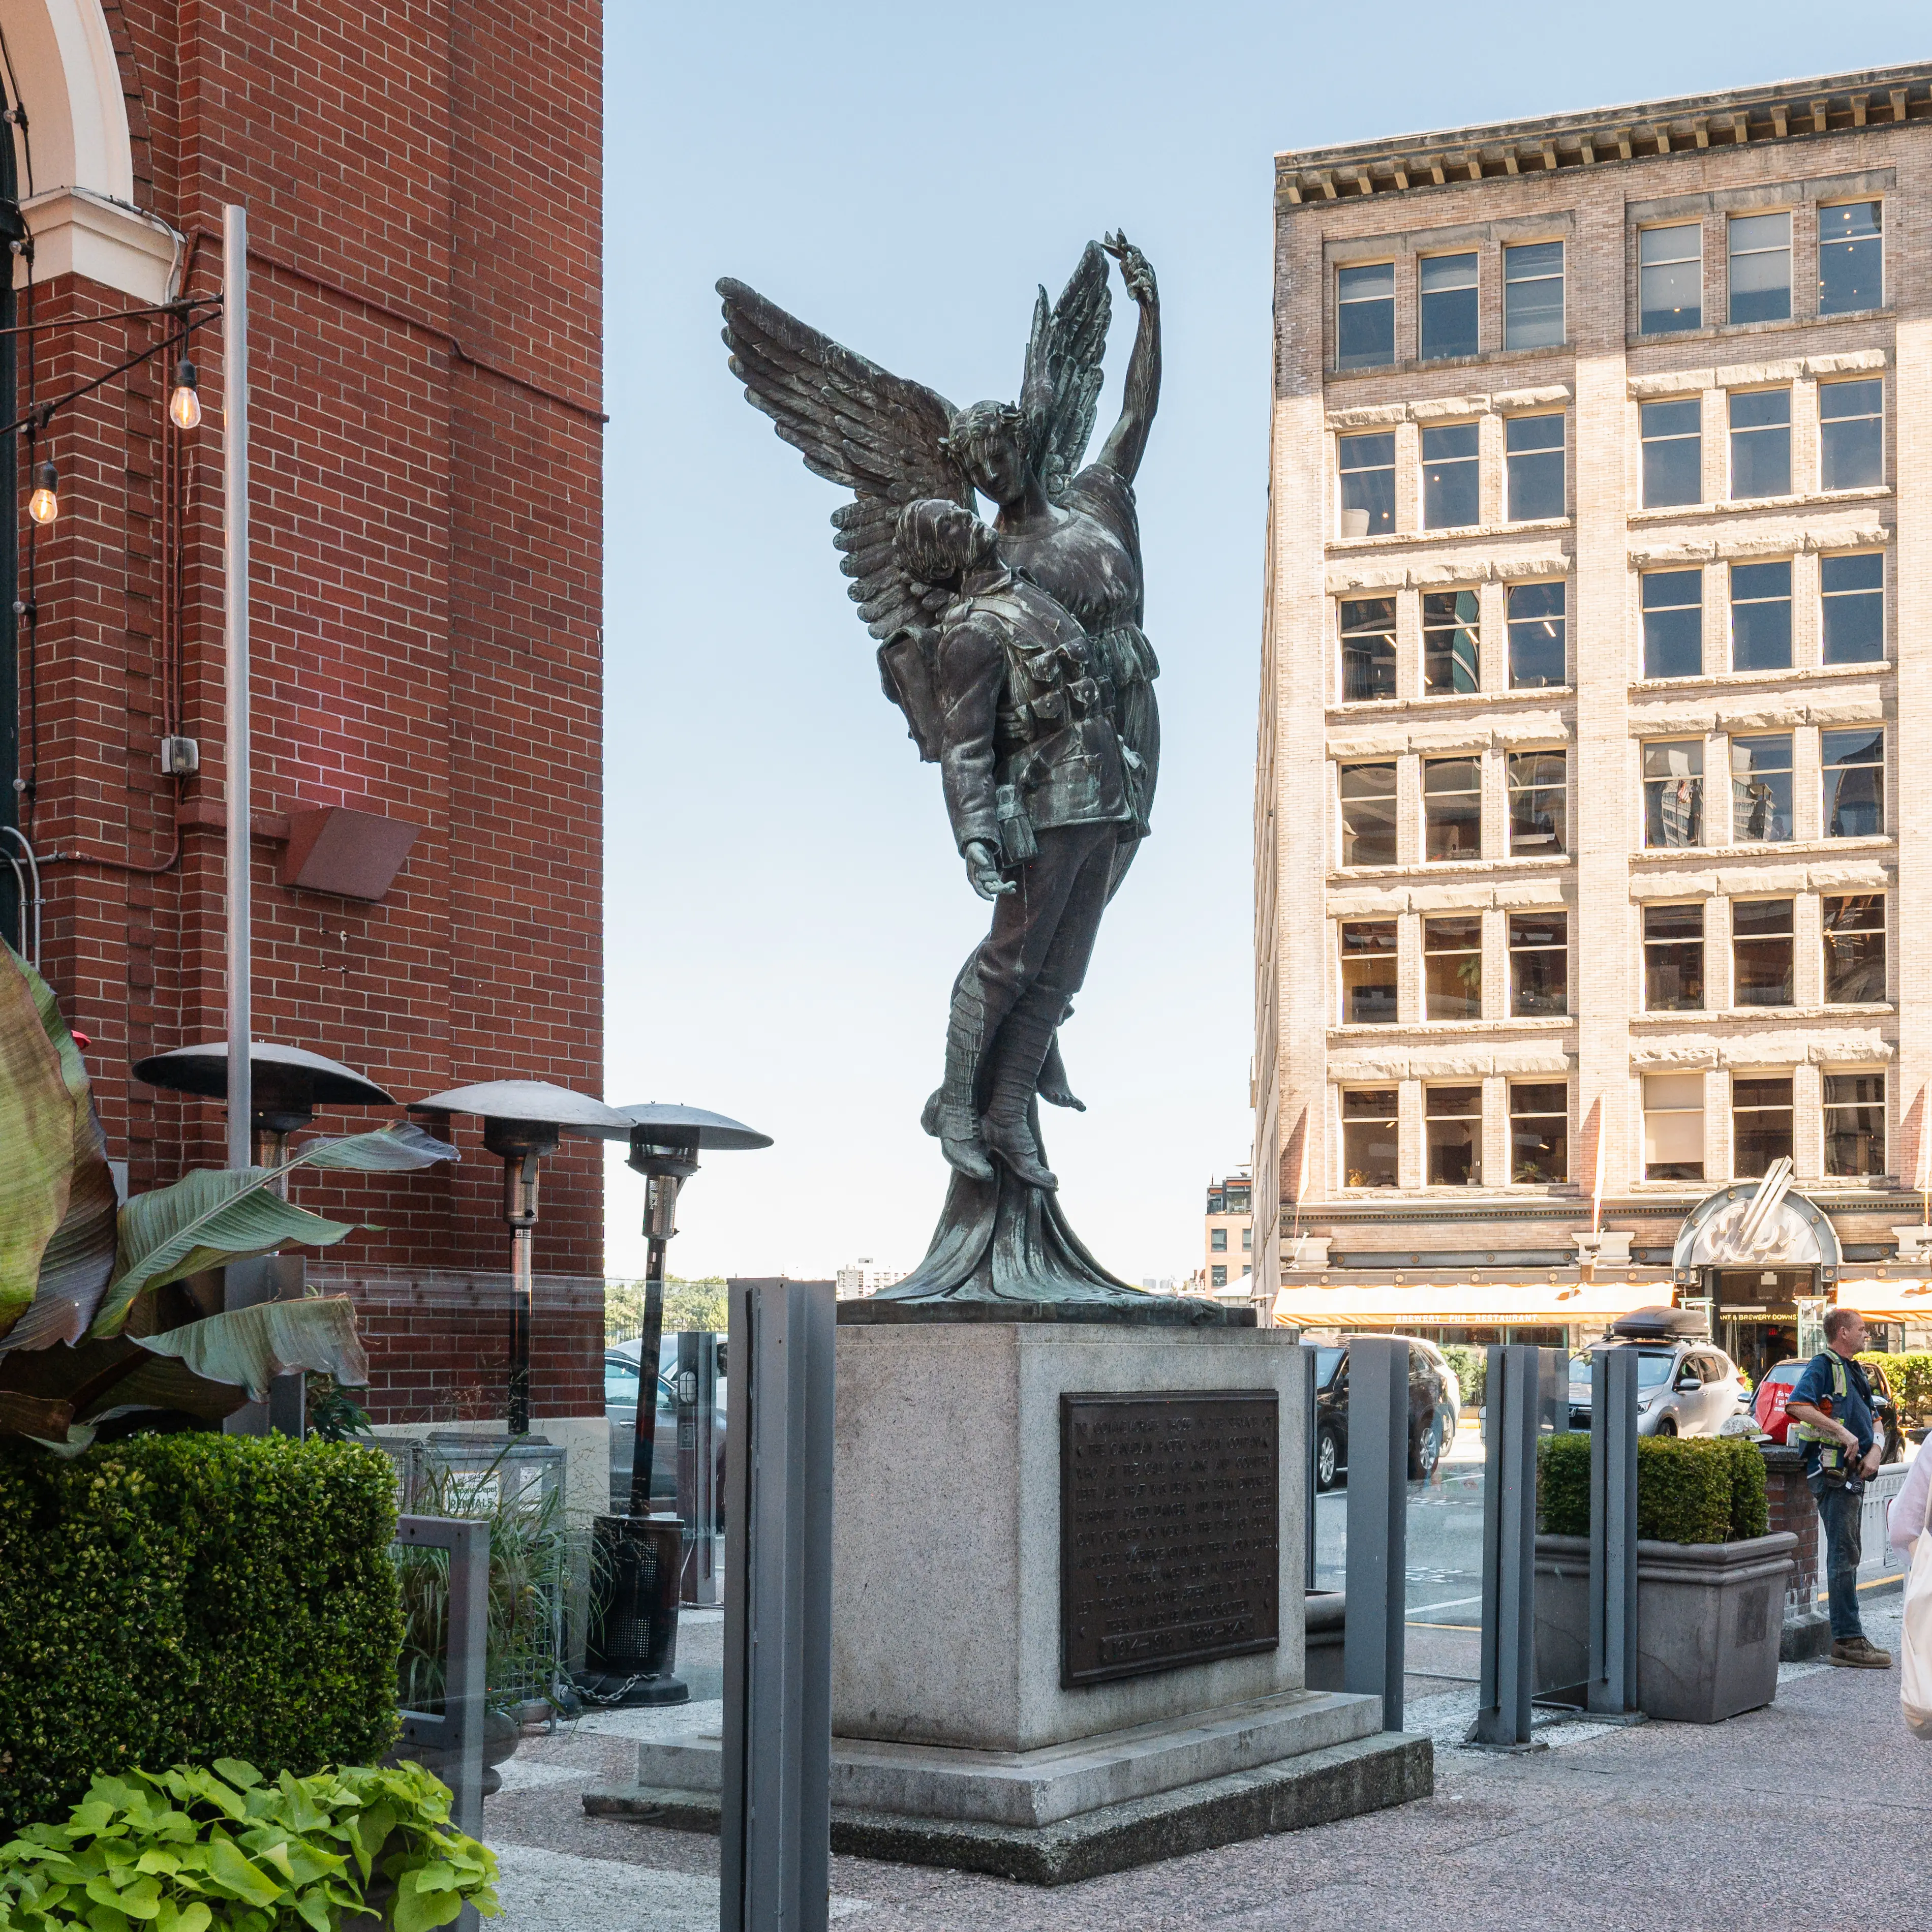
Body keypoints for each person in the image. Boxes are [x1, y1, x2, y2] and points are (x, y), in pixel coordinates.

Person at [894, 496, 1134, 1191]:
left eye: (956, 514)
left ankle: (1008, 1113)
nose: (967, 521)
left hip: (1101, 798)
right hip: (1046, 806)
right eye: (946, 526)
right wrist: (975, 837)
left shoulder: (1029, 593)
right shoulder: (967, 632)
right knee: (1009, 963)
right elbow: (964, 748)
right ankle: (961, 1113)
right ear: (942, 557)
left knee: (1061, 972)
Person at [1786, 1306, 1890, 1668]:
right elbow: (1797, 1404)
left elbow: (1875, 1417)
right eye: (1861, 1329)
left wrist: (1875, 1449)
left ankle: (1850, 1635)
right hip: (1832, 1474)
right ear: (1842, 1332)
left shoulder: (1854, 1370)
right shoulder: (1823, 1364)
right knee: (1844, 1555)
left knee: (1849, 1552)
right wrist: (1843, 1433)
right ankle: (1847, 1640)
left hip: (1851, 1474)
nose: (1867, 1334)